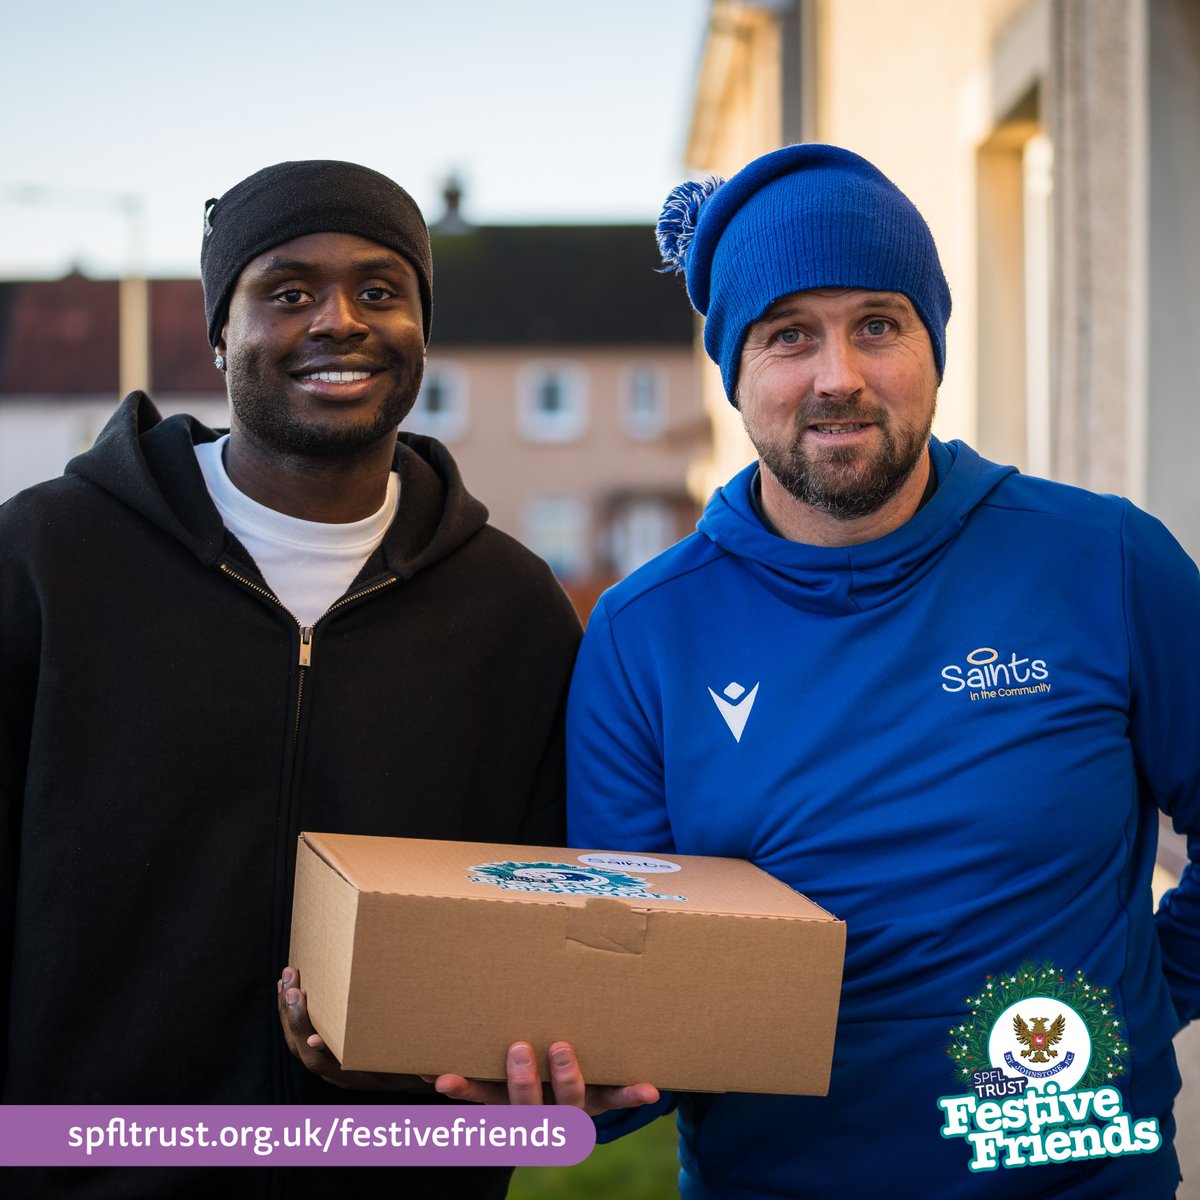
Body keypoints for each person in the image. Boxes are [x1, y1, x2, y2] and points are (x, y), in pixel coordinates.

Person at [563, 145, 1200, 1197]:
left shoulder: (1107, 562)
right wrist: (600, 1078)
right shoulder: (645, 637)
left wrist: (1149, 993)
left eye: (878, 323)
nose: (839, 376)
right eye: (789, 336)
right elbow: (643, 987)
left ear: (933, 346)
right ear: (735, 369)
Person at [0, 159, 582, 1200]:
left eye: (379, 290)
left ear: (420, 329)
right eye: (288, 290)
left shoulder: (512, 608)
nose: (338, 320)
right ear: (220, 329)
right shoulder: (46, 561)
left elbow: (540, 916)